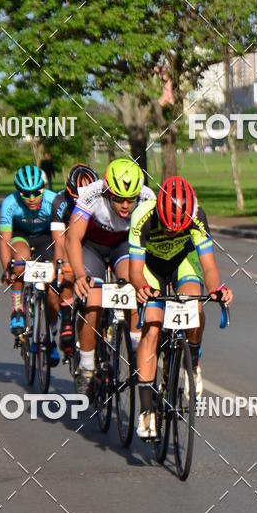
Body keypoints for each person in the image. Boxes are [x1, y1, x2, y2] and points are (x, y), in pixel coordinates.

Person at [129, 175, 233, 439]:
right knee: (151, 328)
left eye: (180, 227)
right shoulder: (143, 215)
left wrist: (216, 289)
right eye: (168, 226)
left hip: (181, 261)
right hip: (150, 265)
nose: (173, 231)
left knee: (194, 303)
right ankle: (146, 412)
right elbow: (135, 271)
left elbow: (208, 265)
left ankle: (193, 363)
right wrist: (142, 287)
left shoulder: (197, 215)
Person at [66, 158, 155, 396]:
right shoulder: (91, 194)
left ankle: (137, 351)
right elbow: (73, 238)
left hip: (122, 245)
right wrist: (79, 275)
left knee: (133, 288)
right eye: (118, 199)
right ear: (107, 192)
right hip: (92, 247)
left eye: (130, 199)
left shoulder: (147, 197)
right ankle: (86, 366)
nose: (126, 205)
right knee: (93, 302)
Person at [0, 165, 60, 363]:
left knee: (52, 288)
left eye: (36, 192)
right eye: (26, 194)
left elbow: (62, 238)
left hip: (46, 237)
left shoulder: (53, 201)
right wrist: (7, 268)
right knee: (19, 262)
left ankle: (51, 337)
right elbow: (4, 240)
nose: (32, 198)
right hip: (21, 236)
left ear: (43, 188)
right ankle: (18, 308)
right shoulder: (10, 203)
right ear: (18, 192)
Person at [49, 163, 98, 354]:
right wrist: (62, 265)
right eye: (77, 200)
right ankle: (67, 317)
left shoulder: (101, 196)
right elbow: (60, 242)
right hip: (70, 239)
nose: (81, 205)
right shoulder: (60, 202)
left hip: (92, 241)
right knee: (66, 267)